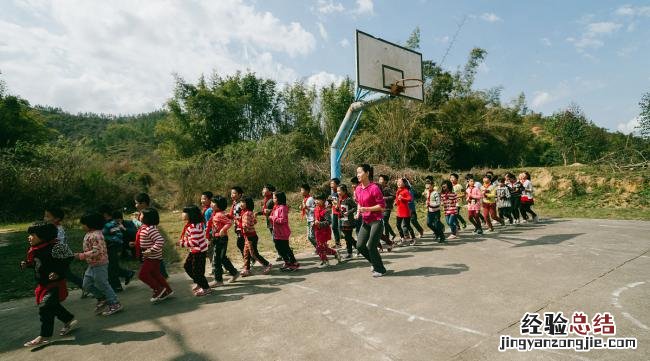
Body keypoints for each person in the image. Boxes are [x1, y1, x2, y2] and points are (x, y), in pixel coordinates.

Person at [21, 222, 76, 347]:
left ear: (43, 236)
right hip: (43, 284)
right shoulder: (35, 250)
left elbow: (67, 259)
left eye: (32, 235)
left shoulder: (55, 247)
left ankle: (44, 336)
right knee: (52, 306)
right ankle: (68, 319)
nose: (29, 237)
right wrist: (27, 264)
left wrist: (58, 272)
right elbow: (37, 263)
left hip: (55, 284)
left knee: (45, 307)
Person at [76, 212, 123, 316]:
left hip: (100, 264)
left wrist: (82, 255)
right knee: (86, 285)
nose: (82, 226)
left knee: (103, 284)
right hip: (92, 264)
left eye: (83, 224)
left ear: (90, 224)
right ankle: (102, 298)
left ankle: (115, 303)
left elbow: (97, 251)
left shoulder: (97, 235)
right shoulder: (89, 233)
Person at [354, 164, 388, 277]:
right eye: (357, 173)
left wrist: (367, 209)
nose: (357, 175)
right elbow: (359, 202)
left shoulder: (374, 188)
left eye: (360, 172)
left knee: (371, 246)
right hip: (366, 221)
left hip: (376, 221)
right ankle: (374, 263)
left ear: (367, 173)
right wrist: (358, 212)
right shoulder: (358, 189)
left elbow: (382, 206)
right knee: (359, 246)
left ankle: (381, 269)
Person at [136, 208, 173, 302]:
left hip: (152, 257)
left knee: (142, 275)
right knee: (156, 274)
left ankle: (158, 289)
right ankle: (167, 290)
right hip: (150, 256)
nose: (139, 216)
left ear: (147, 218)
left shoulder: (150, 229)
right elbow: (146, 238)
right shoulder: (145, 227)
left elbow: (160, 240)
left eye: (141, 215)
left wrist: (151, 250)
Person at [43, 207, 83, 291]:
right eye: (45, 216)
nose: (45, 218)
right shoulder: (51, 228)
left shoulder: (58, 230)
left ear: (56, 219)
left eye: (47, 216)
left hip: (60, 257)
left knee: (67, 274)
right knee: (61, 274)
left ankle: (87, 286)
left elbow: (57, 244)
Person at [99, 204, 134, 292]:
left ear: (105, 214)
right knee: (112, 267)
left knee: (111, 269)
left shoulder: (111, 223)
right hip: (110, 248)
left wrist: (107, 240)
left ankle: (116, 287)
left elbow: (118, 236)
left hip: (113, 248)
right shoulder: (106, 223)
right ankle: (127, 273)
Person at [206, 196, 240, 286]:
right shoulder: (215, 213)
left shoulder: (219, 214)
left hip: (221, 239)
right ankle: (234, 273)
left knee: (217, 259)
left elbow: (229, 222)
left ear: (218, 205)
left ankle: (218, 280)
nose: (211, 204)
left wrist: (222, 230)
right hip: (216, 238)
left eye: (213, 202)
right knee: (222, 258)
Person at [133, 193, 168, 278]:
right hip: (147, 239)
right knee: (154, 259)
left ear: (143, 203)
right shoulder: (142, 212)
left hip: (150, 240)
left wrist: (134, 221)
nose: (135, 205)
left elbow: (144, 226)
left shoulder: (149, 213)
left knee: (155, 259)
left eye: (137, 203)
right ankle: (161, 277)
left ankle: (162, 277)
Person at [178, 205, 211, 296]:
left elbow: (194, 242)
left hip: (198, 252)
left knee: (197, 271)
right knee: (188, 266)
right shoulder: (194, 224)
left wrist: (182, 244)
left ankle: (206, 288)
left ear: (190, 215)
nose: (183, 214)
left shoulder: (193, 227)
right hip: (196, 250)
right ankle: (199, 283)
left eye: (185, 212)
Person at [239, 197, 272, 277]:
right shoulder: (246, 212)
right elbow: (254, 221)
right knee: (246, 253)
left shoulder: (247, 213)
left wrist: (241, 226)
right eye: (240, 202)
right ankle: (247, 269)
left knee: (253, 254)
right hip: (248, 236)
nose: (241, 204)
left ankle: (267, 264)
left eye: (243, 202)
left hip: (251, 237)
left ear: (248, 204)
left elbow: (246, 226)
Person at [269, 191, 299, 271]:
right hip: (277, 232)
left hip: (283, 232)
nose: (273, 199)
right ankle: (287, 262)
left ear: (279, 199)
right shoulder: (276, 207)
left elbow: (283, 220)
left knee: (286, 248)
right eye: (273, 197)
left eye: (274, 198)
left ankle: (294, 263)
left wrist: (273, 218)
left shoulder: (283, 208)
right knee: (279, 248)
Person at [313, 193, 341, 268]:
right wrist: (314, 223)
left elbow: (329, 222)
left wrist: (320, 223)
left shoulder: (325, 211)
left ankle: (325, 261)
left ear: (323, 201)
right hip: (317, 231)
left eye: (318, 200)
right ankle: (335, 253)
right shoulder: (315, 209)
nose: (316, 201)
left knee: (319, 247)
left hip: (324, 231)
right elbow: (315, 219)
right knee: (323, 247)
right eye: (315, 199)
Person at [259, 184, 281, 262]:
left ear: (270, 191)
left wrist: (269, 211)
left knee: (276, 238)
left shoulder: (273, 199)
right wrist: (258, 213)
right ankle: (282, 252)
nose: (263, 190)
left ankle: (282, 253)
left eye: (264, 189)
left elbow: (279, 209)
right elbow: (265, 211)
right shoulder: (266, 199)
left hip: (274, 221)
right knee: (275, 238)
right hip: (269, 221)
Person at [337, 184, 357, 258]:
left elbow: (355, 207)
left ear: (344, 191)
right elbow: (339, 209)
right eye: (337, 191)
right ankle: (351, 252)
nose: (338, 192)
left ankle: (357, 248)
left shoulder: (348, 199)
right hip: (342, 220)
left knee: (348, 237)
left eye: (339, 190)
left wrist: (348, 212)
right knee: (347, 237)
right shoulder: (339, 199)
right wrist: (336, 207)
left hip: (348, 221)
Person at [423, 178, 446, 243]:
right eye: (426, 185)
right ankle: (437, 233)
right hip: (430, 211)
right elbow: (428, 199)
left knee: (437, 224)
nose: (427, 186)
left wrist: (430, 204)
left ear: (432, 185)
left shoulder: (435, 193)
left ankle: (442, 237)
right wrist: (427, 203)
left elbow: (438, 203)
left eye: (429, 185)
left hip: (436, 211)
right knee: (429, 223)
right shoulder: (427, 192)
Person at [377, 175, 396, 249]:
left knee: (385, 221)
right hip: (380, 208)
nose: (379, 180)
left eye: (381, 179)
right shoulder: (378, 188)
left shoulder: (387, 189)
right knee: (384, 223)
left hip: (387, 208)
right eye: (379, 179)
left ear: (385, 181)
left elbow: (394, 196)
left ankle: (387, 238)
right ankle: (391, 235)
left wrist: (385, 198)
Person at [395, 177, 414, 245]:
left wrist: (402, 198)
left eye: (400, 182)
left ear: (404, 183)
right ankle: (402, 238)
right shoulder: (398, 190)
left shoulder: (405, 190)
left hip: (405, 211)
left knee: (408, 225)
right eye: (398, 182)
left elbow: (410, 199)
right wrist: (396, 202)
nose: (398, 183)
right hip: (399, 211)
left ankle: (413, 238)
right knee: (398, 225)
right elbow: (397, 199)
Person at [228, 186, 245, 256]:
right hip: (237, 226)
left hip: (242, 226)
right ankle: (248, 259)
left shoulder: (242, 204)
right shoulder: (234, 203)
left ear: (240, 194)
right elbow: (232, 215)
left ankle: (249, 259)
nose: (232, 195)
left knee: (240, 243)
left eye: (234, 193)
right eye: (231, 193)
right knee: (241, 243)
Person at [300, 184, 317, 250]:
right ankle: (319, 248)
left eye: (302, 190)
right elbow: (306, 209)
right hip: (308, 219)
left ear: (307, 191)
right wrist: (302, 207)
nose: (301, 192)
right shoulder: (305, 199)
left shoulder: (310, 199)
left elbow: (315, 209)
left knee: (311, 237)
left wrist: (307, 207)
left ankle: (320, 248)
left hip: (312, 219)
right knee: (311, 236)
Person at [328, 178, 342, 248]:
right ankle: (338, 243)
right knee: (334, 227)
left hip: (340, 213)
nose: (331, 185)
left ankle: (350, 243)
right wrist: (330, 204)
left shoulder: (339, 192)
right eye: (330, 184)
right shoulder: (333, 193)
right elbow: (332, 203)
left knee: (342, 228)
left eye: (332, 183)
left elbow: (340, 201)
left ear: (337, 184)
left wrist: (337, 205)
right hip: (334, 213)